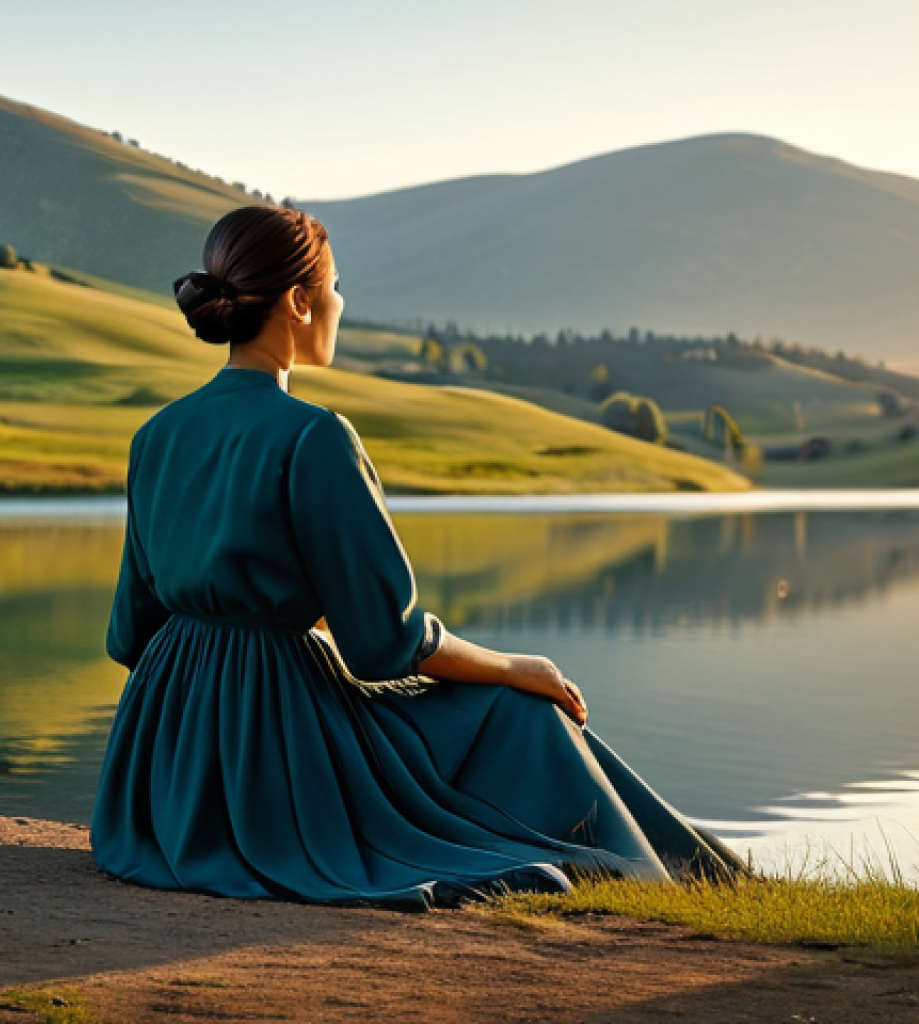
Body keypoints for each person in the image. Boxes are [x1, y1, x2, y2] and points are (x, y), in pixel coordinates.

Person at [89, 206, 744, 907]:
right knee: (517, 711)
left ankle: (687, 867)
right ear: (300, 302)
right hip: (277, 749)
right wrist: (521, 667)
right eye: (336, 286)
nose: (341, 302)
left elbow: (131, 635)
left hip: (155, 780)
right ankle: (690, 872)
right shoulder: (314, 438)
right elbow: (384, 645)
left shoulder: (155, 436)